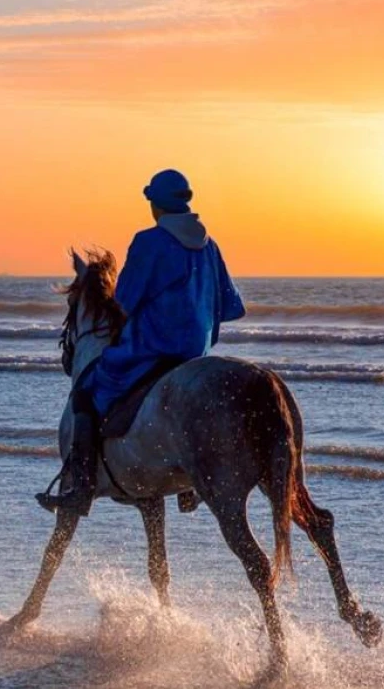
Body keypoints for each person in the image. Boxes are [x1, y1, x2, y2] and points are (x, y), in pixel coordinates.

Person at [37, 169, 246, 515]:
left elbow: (125, 301)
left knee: (86, 391)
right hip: (195, 354)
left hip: (152, 350)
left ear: (157, 205)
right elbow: (232, 307)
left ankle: (81, 487)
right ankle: (191, 484)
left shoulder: (149, 241)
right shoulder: (210, 246)